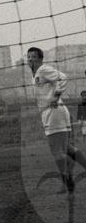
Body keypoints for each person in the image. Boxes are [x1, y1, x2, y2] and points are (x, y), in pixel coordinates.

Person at [27, 47, 86, 192]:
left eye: (33, 57)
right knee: (66, 148)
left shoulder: (43, 70)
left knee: (56, 149)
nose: (30, 59)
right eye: (28, 57)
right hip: (54, 111)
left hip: (53, 112)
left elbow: (63, 77)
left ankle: (67, 183)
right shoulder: (35, 75)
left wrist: (56, 96)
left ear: (40, 59)